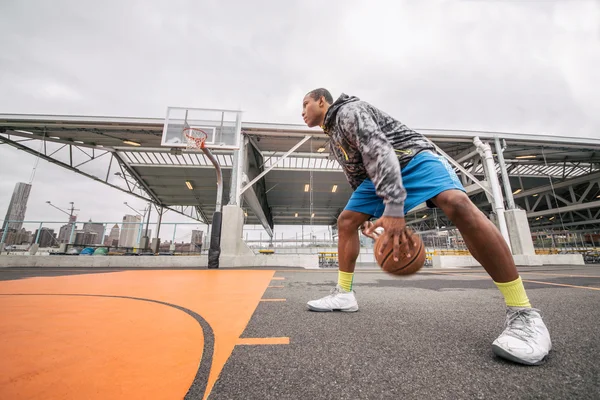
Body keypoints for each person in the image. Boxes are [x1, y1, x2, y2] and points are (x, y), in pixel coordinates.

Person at [301, 88, 551, 366]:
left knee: (457, 204)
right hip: (376, 177)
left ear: (322, 101)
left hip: (414, 158)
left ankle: (525, 314)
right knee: (347, 220)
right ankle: (344, 294)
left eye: (306, 104)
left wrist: (394, 207)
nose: (302, 111)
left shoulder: (349, 111)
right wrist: (368, 215)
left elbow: (380, 150)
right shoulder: (334, 135)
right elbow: (358, 173)